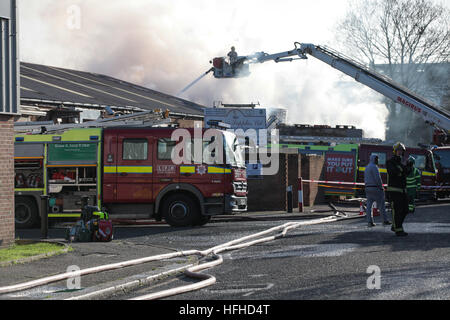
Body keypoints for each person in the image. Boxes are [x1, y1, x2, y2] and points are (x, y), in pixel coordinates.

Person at [386, 142, 411, 236]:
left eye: (401, 151)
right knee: (397, 211)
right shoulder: (390, 162)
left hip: (403, 191)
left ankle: (395, 226)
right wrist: (402, 170)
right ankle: (398, 230)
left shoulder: (401, 163)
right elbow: (394, 172)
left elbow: (406, 173)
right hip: (394, 191)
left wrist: (410, 166)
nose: (400, 152)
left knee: (405, 210)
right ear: (394, 152)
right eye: (398, 151)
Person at [364, 154, 391, 227]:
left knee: (369, 206)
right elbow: (378, 178)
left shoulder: (367, 167)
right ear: (374, 159)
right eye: (377, 159)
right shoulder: (374, 167)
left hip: (368, 188)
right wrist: (381, 187)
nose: (378, 161)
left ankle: (370, 221)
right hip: (375, 188)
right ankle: (384, 220)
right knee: (381, 205)